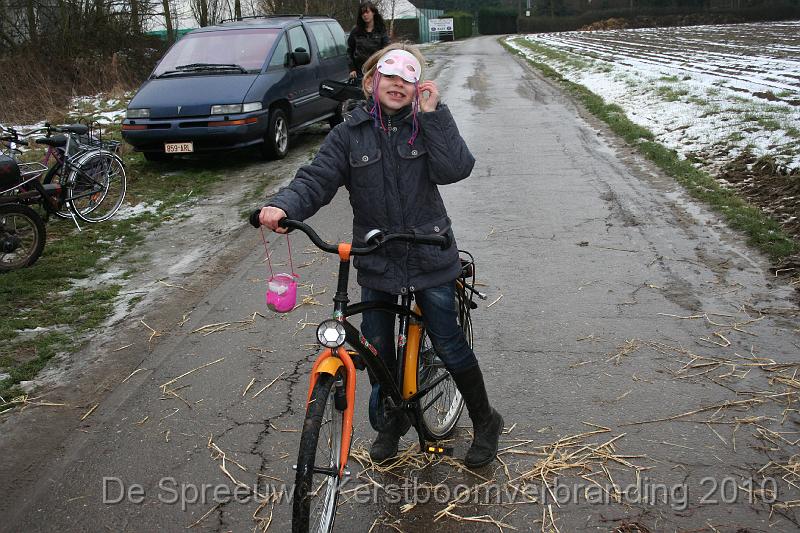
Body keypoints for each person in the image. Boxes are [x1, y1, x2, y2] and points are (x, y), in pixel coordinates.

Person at [257, 43, 504, 468]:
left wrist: (433, 115)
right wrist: (285, 206)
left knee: (448, 342)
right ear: (371, 81)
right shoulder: (348, 133)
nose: (398, 84)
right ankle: (392, 420)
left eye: (408, 78)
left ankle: (486, 419)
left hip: (430, 254)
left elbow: (455, 169)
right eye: (389, 75)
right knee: (375, 349)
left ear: (416, 87)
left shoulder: (424, 125)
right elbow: (316, 179)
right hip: (376, 258)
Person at [347, 1, 390, 80]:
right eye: (362, 13)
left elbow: (387, 51)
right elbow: (350, 50)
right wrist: (352, 69)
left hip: (377, 71)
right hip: (359, 73)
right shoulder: (356, 31)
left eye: (367, 12)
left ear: (373, 12)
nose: (365, 15)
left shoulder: (381, 30)